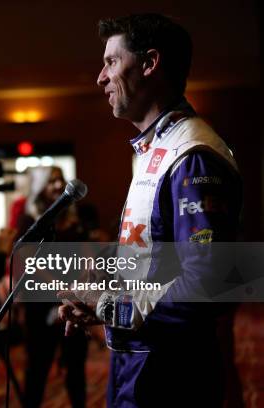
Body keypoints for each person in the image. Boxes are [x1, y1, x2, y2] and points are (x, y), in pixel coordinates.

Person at [58, 14, 242, 407]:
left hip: (171, 375)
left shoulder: (191, 155)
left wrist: (106, 305)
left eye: (111, 62)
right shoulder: (155, 147)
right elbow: (157, 261)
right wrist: (104, 284)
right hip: (138, 362)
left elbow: (211, 284)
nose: (100, 78)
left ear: (150, 63)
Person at [14, 166, 88, 408]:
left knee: (76, 366)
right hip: (41, 303)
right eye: (51, 181)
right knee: (38, 367)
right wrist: (61, 292)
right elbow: (30, 262)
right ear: (39, 187)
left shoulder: (76, 219)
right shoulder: (30, 220)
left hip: (75, 299)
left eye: (60, 180)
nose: (58, 185)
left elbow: (86, 257)